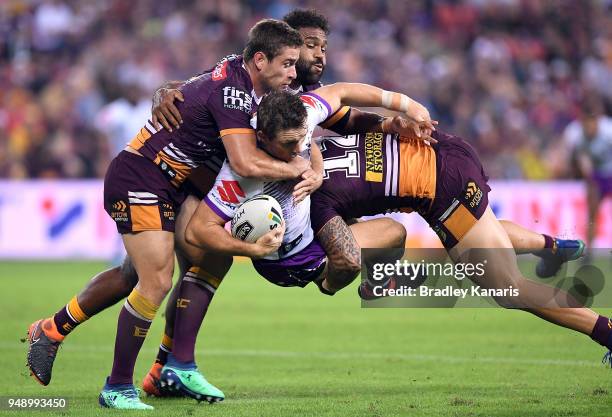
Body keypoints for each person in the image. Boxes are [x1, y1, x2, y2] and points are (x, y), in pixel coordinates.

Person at [27, 18, 319, 411]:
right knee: (157, 279)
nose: (292, 71)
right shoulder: (235, 93)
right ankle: (117, 387)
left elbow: (191, 88)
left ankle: (61, 332)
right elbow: (245, 162)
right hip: (141, 176)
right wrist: (298, 169)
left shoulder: (238, 70)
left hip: (171, 185)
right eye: (286, 63)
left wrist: (167, 89)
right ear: (261, 59)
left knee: (165, 267)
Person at [562, 95, 612, 254]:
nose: (590, 128)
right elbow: (574, 157)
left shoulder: (608, 130)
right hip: (595, 176)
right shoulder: (574, 133)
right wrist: (581, 165)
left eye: (593, 123)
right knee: (592, 213)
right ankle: (589, 252)